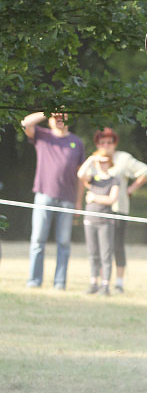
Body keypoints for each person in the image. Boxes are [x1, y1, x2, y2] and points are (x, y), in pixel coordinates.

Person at [80, 128, 147, 293]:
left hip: (117, 209)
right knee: (98, 248)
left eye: (109, 142)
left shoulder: (123, 158)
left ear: (115, 143)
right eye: (102, 142)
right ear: (97, 144)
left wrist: (130, 189)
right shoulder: (96, 159)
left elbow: (146, 171)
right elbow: (83, 177)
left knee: (117, 246)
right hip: (98, 210)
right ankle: (98, 282)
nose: (106, 145)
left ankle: (118, 283)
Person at [20, 112, 85, 289]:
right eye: (55, 116)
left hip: (68, 199)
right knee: (38, 241)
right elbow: (25, 123)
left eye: (63, 116)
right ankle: (34, 280)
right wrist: (47, 111)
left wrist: (79, 202)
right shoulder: (43, 136)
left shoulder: (77, 142)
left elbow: (81, 176)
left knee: (64, 243)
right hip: (44, 195)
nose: (59, 120)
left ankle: (59, 283)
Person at [77, 153, 120, 295]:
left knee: (106, 253)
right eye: (100, 162)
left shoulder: (114, 180)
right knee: (92, 253)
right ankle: (93, 282)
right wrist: (91, 159)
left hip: (106, 221)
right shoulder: (93, 179)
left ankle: (105, 285)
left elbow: (112, 199)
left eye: (105, 161)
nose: (102, 164)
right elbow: (80, 174)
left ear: (110, 163)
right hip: (90, 220)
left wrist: (95, 197)